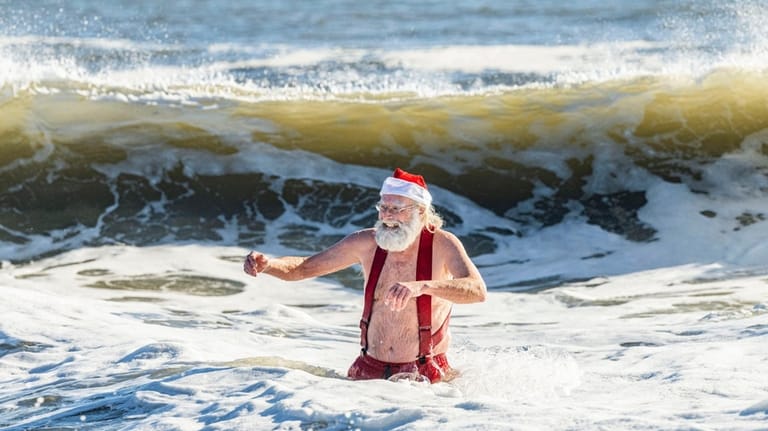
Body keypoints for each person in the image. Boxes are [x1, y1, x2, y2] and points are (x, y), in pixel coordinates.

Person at [243, 168, 487, 383]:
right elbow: (304, 268)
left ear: (420, 211)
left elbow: (477, 290)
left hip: (425, 375)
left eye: (397, 209)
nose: (387, 216)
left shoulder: (442, 244)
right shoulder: (366, 242)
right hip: (367, 370)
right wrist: (269, 264)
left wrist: (422, 287)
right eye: (383, 208)